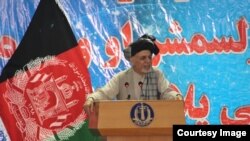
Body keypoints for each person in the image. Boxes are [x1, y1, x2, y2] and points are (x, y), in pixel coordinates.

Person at [83, 34, 183, 114]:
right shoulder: (121, 77)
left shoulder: (157, 74)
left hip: (154, 126)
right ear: (132, 60)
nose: (148, 61)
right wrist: (91, 98)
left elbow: (166, 93)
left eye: (149, 57)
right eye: (143, 58)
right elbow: (104, 94)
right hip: (126, 128)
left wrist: (176, 96)